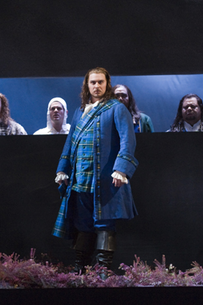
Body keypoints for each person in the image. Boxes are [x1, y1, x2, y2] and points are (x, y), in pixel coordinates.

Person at [53, 67, 139, 278]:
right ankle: (80, 267)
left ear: (107, 84)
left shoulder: (117, 108)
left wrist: (121, 169)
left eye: (101, 82)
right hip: (79, 178)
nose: (97, 86)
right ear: (87, 85)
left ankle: (103, 270)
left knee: (104, 223)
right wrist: (62, 170)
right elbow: (69, 142)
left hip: (104, 178)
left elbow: (128, 139)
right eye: (93, 82)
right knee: (83, 224)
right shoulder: (79, 111)